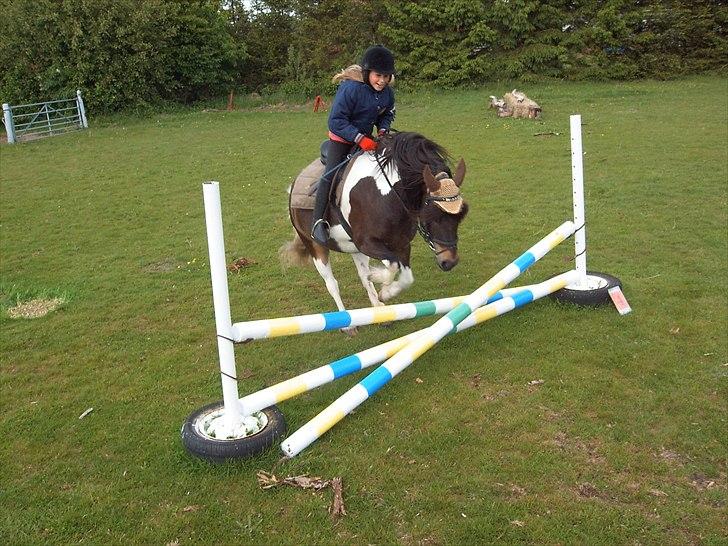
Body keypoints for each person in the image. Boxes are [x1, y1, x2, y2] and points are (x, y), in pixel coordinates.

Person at [311, 45, 396, 244]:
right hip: (341, 139)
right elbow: (336, 121)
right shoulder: (350, 89)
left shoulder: (387, 93)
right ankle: (317, 223)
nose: (382, 81)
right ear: (367, 73)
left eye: (386, 76)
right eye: (378, 76)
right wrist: (359, 138)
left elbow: (387, 114)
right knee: (330, 175)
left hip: (366, 139)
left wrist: (382, 131)